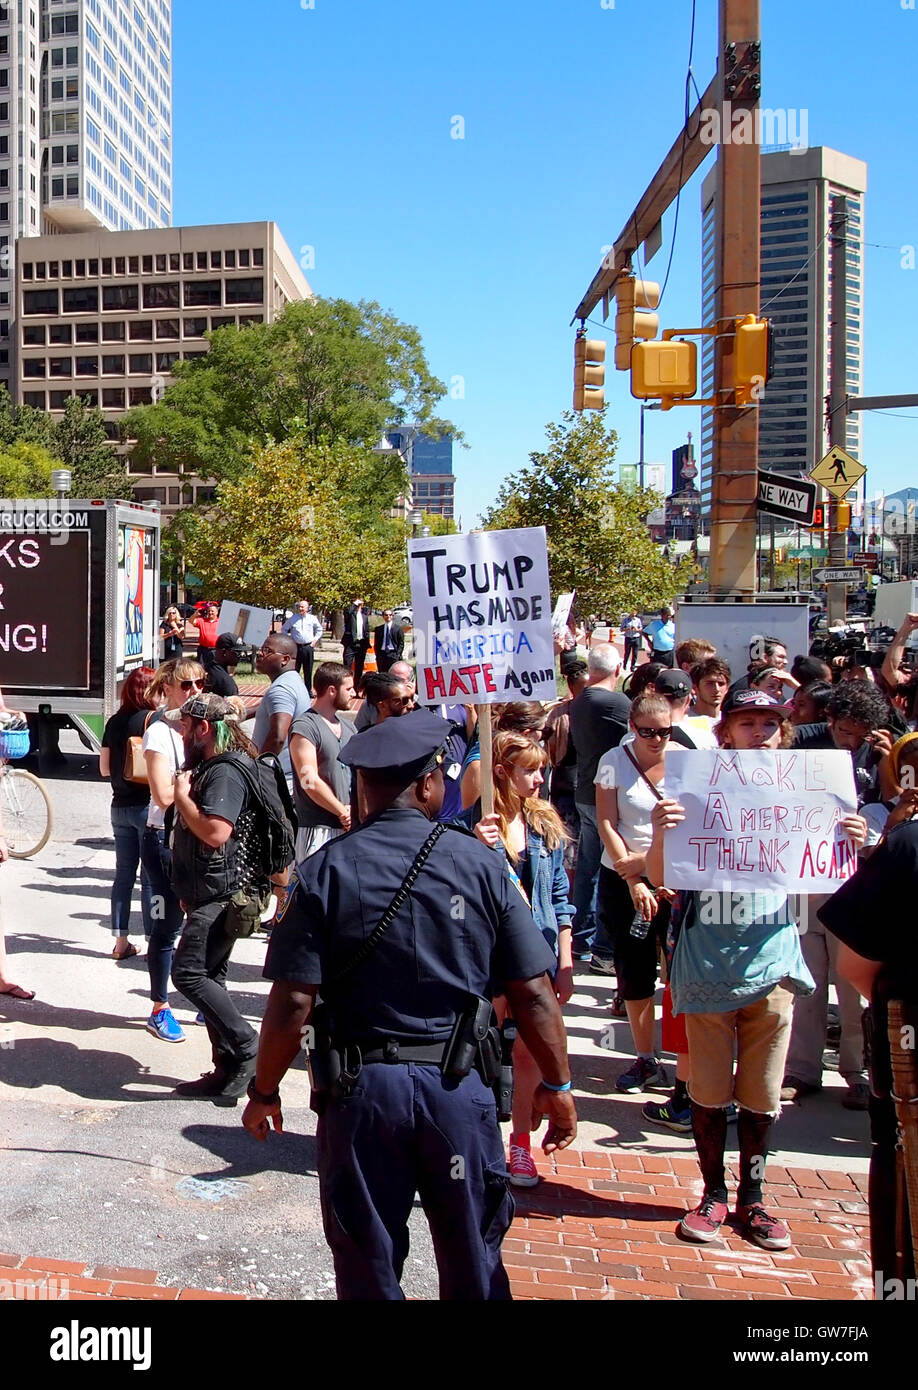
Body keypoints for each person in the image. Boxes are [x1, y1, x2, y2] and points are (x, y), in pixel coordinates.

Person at [242, 709, 577, 1300]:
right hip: (458, 1088)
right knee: (473, 1253)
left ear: (362, 787)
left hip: (362, 1094)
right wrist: (558, 1082)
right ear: (428, 783)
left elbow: (293, 1001)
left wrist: (265, 1089)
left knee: (367, 1259)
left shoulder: (323, 872)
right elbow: (533, 992)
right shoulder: (480, 865)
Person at [645, 688, 867, 1248]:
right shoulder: (694, 792)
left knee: (763, 1096)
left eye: (770, 723)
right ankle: (714, 1196)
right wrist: (662, 830)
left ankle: (755, 1199)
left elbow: (833, 880)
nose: (760, 732)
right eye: (747, 723)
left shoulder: (808, 796)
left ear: (784, 733)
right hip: (706, 962)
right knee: (710, 1091)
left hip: (773, 964)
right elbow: (656, 874)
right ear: (726, 734)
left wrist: (856, 845)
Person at [474, 731, 573, 1186]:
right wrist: (477, 843)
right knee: (479, 1048)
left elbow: (561, 898)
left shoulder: (545, 824)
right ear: (502, 773)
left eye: (541, 769)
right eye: (529, 770)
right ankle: (477, 1138)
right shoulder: (475, 825)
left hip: (538, 956)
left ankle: (520, 1145)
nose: (539, 779)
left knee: (531, 1052)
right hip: (488, 958)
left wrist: (565, 961)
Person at [168, 694, 264, 1101]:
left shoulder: (225, 772)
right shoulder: (211, 766)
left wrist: (182, 797)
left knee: (187, 974)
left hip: (223, 895)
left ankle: (246, 1047)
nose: (181, 732)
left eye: (186, 725)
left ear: (204, 729)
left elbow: (214, 833)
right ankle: (227, 1067)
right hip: (210, 892)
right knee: (212, 976)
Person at [595, 693, 674, 1098]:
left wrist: (647, 863)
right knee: (636, 970)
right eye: (648, 732)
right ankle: (646, 1056)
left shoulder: (685, 760)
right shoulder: (613, 761)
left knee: (682, 973)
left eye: (664, 732)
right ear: (632, 727)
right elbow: (606, 821)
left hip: (672, 874)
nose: (657, 740)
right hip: (622, 876)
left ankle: (690, 1066)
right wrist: (632, 876)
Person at [140, 658, 207, 1043]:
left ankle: (205, 997)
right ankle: (159, 1007)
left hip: (197, 836)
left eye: (200, 683)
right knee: (166, 924)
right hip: (162, 839)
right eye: (187, 685)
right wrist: (195, 783)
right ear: (168, 688)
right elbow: (163, 795)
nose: (195, 690)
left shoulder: (202, 727)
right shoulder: (159, 733)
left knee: (207, 920)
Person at [568, 644, 630, 968]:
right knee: (610, 872)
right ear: (618, 669)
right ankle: (602, 947)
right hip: (607, 798)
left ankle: (580, 938)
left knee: (588, 870)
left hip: (585, 793)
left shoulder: (579, 702)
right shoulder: (616, 703)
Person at [99, 667, 156, 963]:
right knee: (150, 877)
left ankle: (120, 942)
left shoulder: (114, 721)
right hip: (146, 806)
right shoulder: (152, 720)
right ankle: (152, 942)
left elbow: (104, 769)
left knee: (123, 875)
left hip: (118, 805)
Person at [288, 662, 356, 862]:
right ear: (332, 690)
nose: (354, 693)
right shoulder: (305, 727)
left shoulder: (349, 728)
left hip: (348, 826)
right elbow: (308, 781)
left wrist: (355, 810)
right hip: (317, 828)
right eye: (349, 688)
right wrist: (342, 811)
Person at [543, 659, 589, 890]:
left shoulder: (594, 712)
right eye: (583, 688)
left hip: (587, 789)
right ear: (572, 686)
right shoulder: (559, 714)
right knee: (568, 847)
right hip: (566, 791)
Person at [253, 633, 311, 795]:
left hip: (279, 778)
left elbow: (278, 737)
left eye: (267, 650)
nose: (260, 653)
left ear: (285, 659)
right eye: (261, 648)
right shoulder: (291, 681)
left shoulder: (281, 689)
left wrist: (258, 768)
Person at [282, 601, 323, 692]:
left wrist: (314, 641)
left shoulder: (312, 618)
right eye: (299, 607)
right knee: (295, 670)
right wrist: (289, 640)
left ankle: (308, 690)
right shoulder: (293, 618)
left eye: (303, 607)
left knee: (308, 670)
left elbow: (319, 630)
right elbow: (284, 629)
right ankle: (294, 690)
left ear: (308, 608)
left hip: (308, 647)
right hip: (296, 648)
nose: (301, 609)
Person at [690, 656, 731, 722]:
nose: (717, 689)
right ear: (695, 688)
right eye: (710, 683)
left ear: (727, 689)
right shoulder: (683, 720)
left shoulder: (730, 723)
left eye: (721, 684)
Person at [342, 597, 371, 690]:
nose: (359, 605)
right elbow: (348, 612)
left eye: (360, 604)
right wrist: (354, 604)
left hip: (361, 644)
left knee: (359, 667)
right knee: (347, 666)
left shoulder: (364, 615)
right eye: (357, 604)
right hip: (350, 643)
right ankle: (347, 686)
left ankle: (357, 687)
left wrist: (367, 642)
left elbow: (366, 630)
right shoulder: (350, 614)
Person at [206, 633, 245, 698]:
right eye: (237, 652)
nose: (240, 655)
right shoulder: (226, 682)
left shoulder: (206, 667)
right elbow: (235, 706)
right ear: (224, 652)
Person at [373, 608, 405, 673]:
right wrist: (378, 655)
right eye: (386, 615)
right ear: (383, 616)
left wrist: (398, 655)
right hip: (382, 654)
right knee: (382, 675)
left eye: (390, 615)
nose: (388, 616)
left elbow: (401, 643)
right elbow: (376, 643)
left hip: (393, 654)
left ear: (392, 616)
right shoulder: (378, 629)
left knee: (393, 675)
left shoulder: (398, 629)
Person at [191, 602, 221, 670]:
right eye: (209, 611)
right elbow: (191, 621)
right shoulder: (202, 621)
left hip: (216, 649)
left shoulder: (220, 622)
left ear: (217, 612)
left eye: (212, 611)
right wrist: (194, 615)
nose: (210, 612)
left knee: (215, 668)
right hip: (203, 649)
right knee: (201, 668)